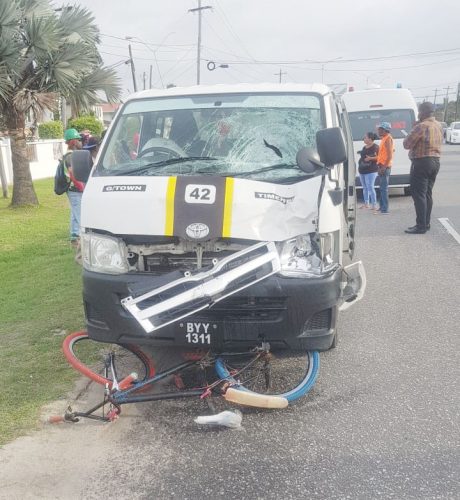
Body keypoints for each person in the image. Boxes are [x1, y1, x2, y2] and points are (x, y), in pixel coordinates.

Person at [402, 102, 442, 234]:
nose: (418, 114)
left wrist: (413, 128)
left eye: (419, 111)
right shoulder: (438, 125)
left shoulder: (421, 126)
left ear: (423, 112)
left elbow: (406, 144)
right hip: (435, 161)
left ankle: (420, 226)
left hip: (421, 162)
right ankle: (426, 223)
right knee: (427, 194)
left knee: (419, 195)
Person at [63, 128, 84, 245]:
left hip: (73, 189)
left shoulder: (71, 155)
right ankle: (82, 236)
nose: (79, 142)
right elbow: (72, 174)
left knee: (75, 212)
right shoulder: (70, 156)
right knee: (79, 213)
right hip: (74, 189)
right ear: (72, 141)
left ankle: (74, 235)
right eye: (77, 139)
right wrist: (81, 187)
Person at [373, 122, 394, 214]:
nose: (378, 131)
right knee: (381, 188)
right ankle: (382, 207)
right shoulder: (384, 138)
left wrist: (384, 167)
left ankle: (385, 209)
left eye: (380, 129)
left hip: (385, 167)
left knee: (384, 188)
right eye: (378, 129)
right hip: (381, 165)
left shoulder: (388, 139)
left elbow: (389, 155)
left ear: (385, 130)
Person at [357, 132, 379, 209]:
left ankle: (374, 204)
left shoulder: (375, 147)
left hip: (371, 170)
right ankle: (366, 203)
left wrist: (370, 158)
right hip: (362, 170)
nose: (364, 138)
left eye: (365, 137)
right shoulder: (364, 147)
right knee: (365, 187)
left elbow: (379, 157)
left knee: (370, 186)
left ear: (370, 139)